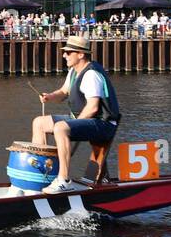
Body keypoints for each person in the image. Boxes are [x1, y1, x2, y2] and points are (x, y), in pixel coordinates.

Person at [32, 35, 122, 194]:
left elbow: (93, 108)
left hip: (103, 123)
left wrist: (73, 125)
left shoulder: (91, 75)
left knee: (61, 128)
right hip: (87, 120)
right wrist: (50, 96)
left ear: (81, 54)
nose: (64, 55)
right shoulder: (74, 71)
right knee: (39, 122)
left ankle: (64, 180)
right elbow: (64, 92)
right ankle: (43, 176)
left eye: (68, 52)